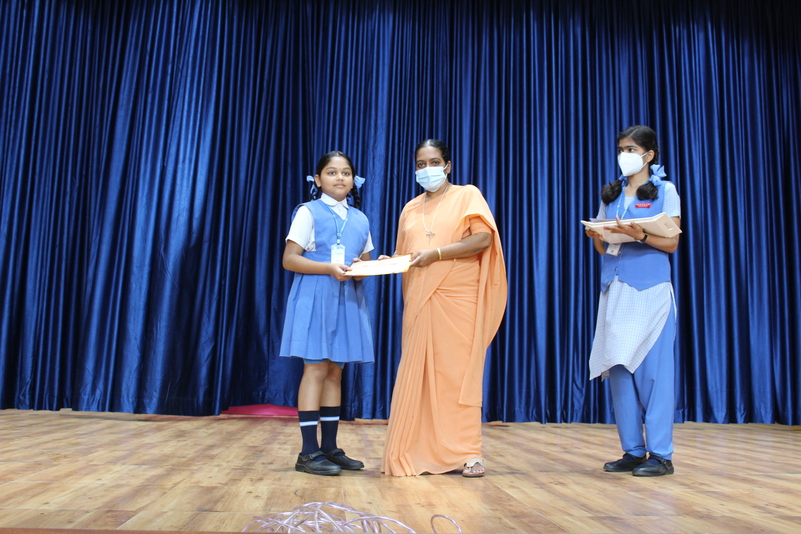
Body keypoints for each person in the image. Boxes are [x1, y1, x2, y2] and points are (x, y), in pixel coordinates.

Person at [381, 139, 507, 477]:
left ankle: (468, 453)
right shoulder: (410, 208)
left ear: (447, 166)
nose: (427, 169)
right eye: (420, 164)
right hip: (420, 300)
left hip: (458, 299)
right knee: (421, 378)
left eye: (434, 162)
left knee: (457, 376)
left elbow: (482, 239)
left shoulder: (467, 195)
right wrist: (387, 262)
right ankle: (414, 450)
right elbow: (406, 255)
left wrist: (437, 254)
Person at [585, 125, 681, 477]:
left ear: (649, 155)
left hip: (650, 290)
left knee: (654, 374)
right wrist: (596, 234)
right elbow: (602, 248)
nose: (624, 155)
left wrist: (639, 234)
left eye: (631, 149)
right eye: (621, 148)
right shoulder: (611, 193)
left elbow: (672, 243)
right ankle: (633, 450)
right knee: (619, 368)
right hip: (615, 288)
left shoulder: (665, 191)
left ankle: (661, 454)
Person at [280, 150, 374, 476]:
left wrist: (365, 269)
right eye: (332, 172)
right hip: (316, 295)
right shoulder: (308, 212)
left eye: (345, 172)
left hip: (347, 300)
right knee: (316, 369)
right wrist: (328, 268)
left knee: (336, 371)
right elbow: (290, 259)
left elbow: (363, 266)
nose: (339, 178)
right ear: (318, 179)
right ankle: (308, 451)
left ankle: (330, 448)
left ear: (354, 180)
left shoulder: (360, 219)